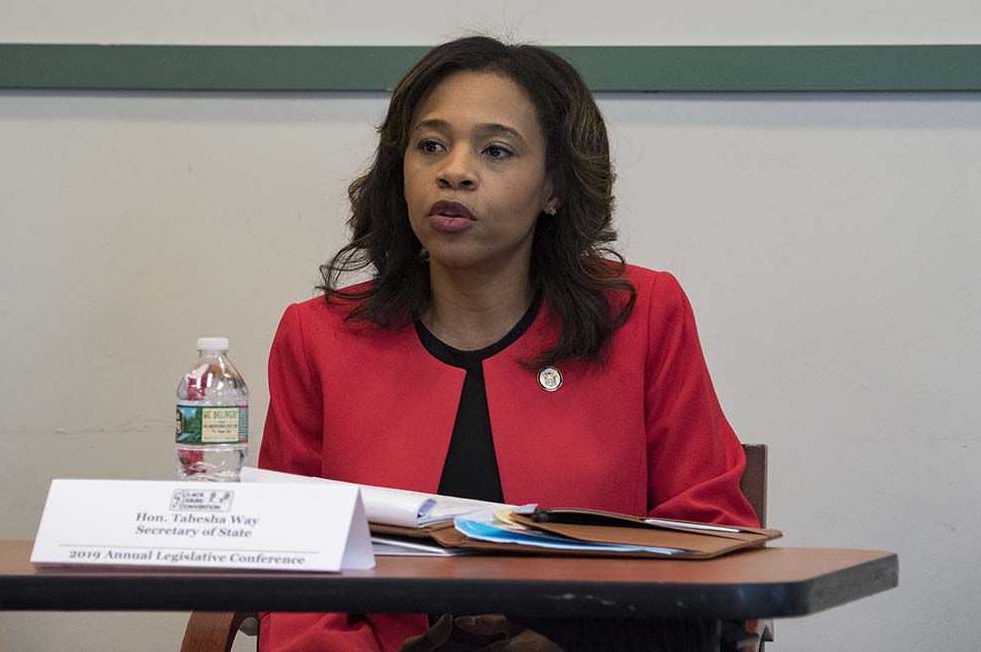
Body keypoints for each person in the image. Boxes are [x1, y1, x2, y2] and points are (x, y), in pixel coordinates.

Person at [258, 35, 759, 651]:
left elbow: (709, 534)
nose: (455, 170)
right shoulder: (319, 336)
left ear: (554, 187)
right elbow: (286, 565)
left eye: (496, 151)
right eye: (431, 145)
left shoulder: (642, 315)